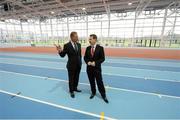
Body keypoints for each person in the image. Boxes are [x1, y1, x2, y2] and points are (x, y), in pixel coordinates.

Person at [54, 32, 82, 98]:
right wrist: (59, 50)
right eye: (76, 36)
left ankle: (75, 88)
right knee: (71, 79)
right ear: (72, 37)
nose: (77, 38)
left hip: (78, 65)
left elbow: (79, 55)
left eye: (77, 36)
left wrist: (80, 62)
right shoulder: (67, 45)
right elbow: (62, 55)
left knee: (76, 78)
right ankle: (71, 91)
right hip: (71, 66)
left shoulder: (79, 44)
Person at [84, 34, 109, 103]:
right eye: (89, 39)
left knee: (99, 82)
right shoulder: (88, 48)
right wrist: (87, 62)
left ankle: (103, 95)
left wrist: (95, 63)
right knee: (91, 82)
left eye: (90, 39)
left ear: (95, 40)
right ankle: (93, 92)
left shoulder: (100, 48)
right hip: (89, 69)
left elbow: (102, 58)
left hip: (97, 69)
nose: (89, 40)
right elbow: (85, 57)